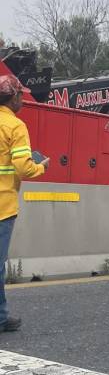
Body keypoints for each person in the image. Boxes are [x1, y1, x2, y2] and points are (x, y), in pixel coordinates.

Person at [0, 74, 48, 332]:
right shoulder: (15, 126)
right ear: (14, 97)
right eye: (21, 95)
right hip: (2, 206)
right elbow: (23, 168)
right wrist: (41, 166)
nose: (23, 99)